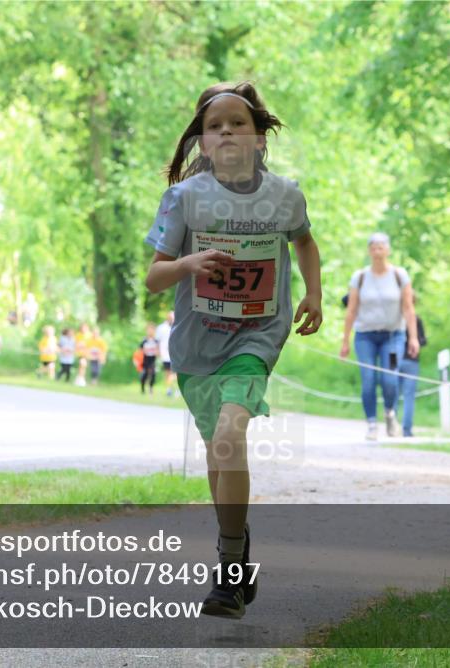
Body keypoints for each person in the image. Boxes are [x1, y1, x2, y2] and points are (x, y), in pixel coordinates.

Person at [144, 82, 322, 619]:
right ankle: (237, 548)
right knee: (218, 453)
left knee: (229, 436)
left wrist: (314, 292)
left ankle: (227, 571)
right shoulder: (183, 199)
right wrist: (188, 264)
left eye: (238, 123)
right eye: (214, 125)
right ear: (201, 141)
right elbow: (154, 277)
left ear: (260, 138)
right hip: (198, 343)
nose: (226, 131)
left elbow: (304, 241)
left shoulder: (285, 195)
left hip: (257, 334)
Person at [340, 233, 419, 440]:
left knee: (390, 379)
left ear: (388, 250)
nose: (377, 251)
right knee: (368, 380)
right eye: (374, 247)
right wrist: (345, 340)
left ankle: (390, 413)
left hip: (393, 338)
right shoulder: (360, 277)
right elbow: (351, 310)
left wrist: (413, 337)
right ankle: (372, 423)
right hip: (365, 337)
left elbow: (409, 308)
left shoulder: (400, 275)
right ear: (369, 251)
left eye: (381, 247)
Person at [396, 299, 426, 438]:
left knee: (393, 392)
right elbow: (423, 340)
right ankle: (406, 429)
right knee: (408, 396)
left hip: (394, 358)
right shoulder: (417, 320)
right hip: (411, 359)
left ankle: (393, 425)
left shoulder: (393, 320)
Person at [154, 311, 177, 397]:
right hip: (165, 355)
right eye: (171, 318)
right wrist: (157, 351)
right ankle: (169, 389)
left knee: (176, 373)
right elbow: (157, 341)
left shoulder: (177, 326)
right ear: (168, 318)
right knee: (167, 373)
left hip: (175, 354)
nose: (172, 320)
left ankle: (174, 389)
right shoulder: (161, 328)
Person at [139, 324, 160, 395]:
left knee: (153, 374)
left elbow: (158, 352)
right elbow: (140, 350)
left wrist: (157, 352)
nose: (150, 332)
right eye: (149, 330)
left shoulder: (156, 341)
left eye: (152, 330)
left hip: (152, 360)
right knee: (145, 374)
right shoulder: (144, 340)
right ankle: (142, 388)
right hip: (145, 360)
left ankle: (151, 388)